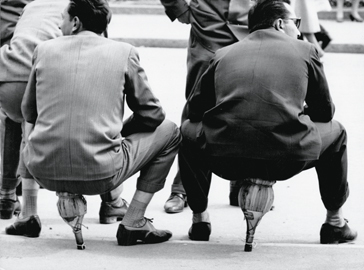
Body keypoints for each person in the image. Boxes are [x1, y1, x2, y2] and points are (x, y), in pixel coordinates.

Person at [178, 0, 357, 245]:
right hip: (286, 159)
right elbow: (325, 113)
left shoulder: (222, 54)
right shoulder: (306, 50)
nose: (298, 29)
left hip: (226, 161)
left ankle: (199, 220)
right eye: (296, 23)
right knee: (337, 133)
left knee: (186, 133)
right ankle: (335, 222)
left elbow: (195, 111)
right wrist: (296, 113)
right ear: (280, 23)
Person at [7, 0, 181, 246]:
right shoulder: (124, 52)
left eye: (63, 19)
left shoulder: (44, 50)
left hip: (43, 169)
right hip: (101, 173)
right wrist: (121, 131)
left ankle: (29, 213)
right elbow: (153, 114)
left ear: (75, 22)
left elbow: (29, 113)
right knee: (171, 131)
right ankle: (134, 221)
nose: (59, 24)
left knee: (30, 128)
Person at [160, 0, 253, 213]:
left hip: (253, 24)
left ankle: (242, 177)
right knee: (198, 108)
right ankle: (183, 186)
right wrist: (178, 7)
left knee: (248, 102)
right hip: (208, 27)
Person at [0, 0, 68, 221]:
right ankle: (110, 201)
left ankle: (6, 196)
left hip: (8, 71)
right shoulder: (77, 5)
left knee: (14, 121)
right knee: (81, 119)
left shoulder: (33, 5)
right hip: (40, 73)